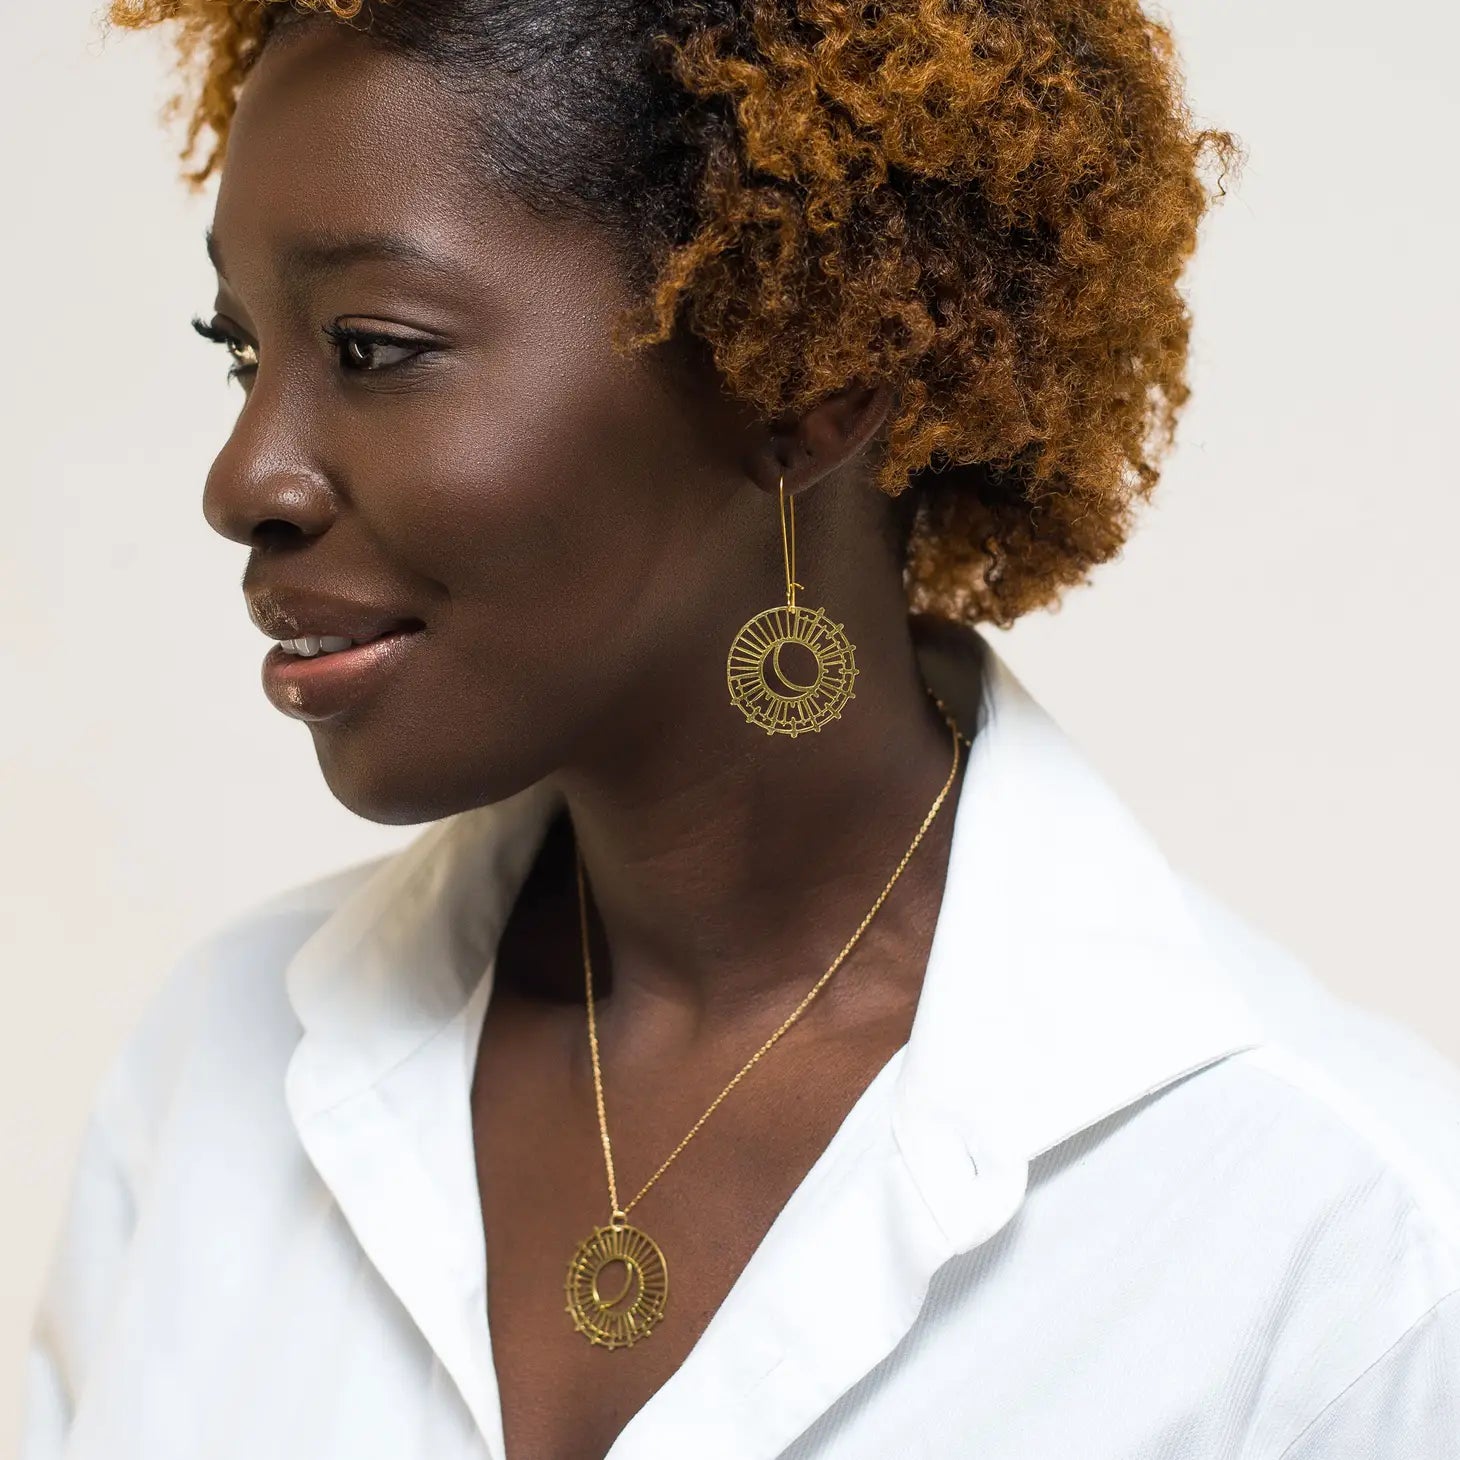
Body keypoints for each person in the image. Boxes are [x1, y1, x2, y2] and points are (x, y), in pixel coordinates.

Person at [23, 0, 1459, 1456]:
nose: (242, 478)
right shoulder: (216, 1069)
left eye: (374, 348)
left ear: (806, 379)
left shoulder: (1343, 1252)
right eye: (239, 353)